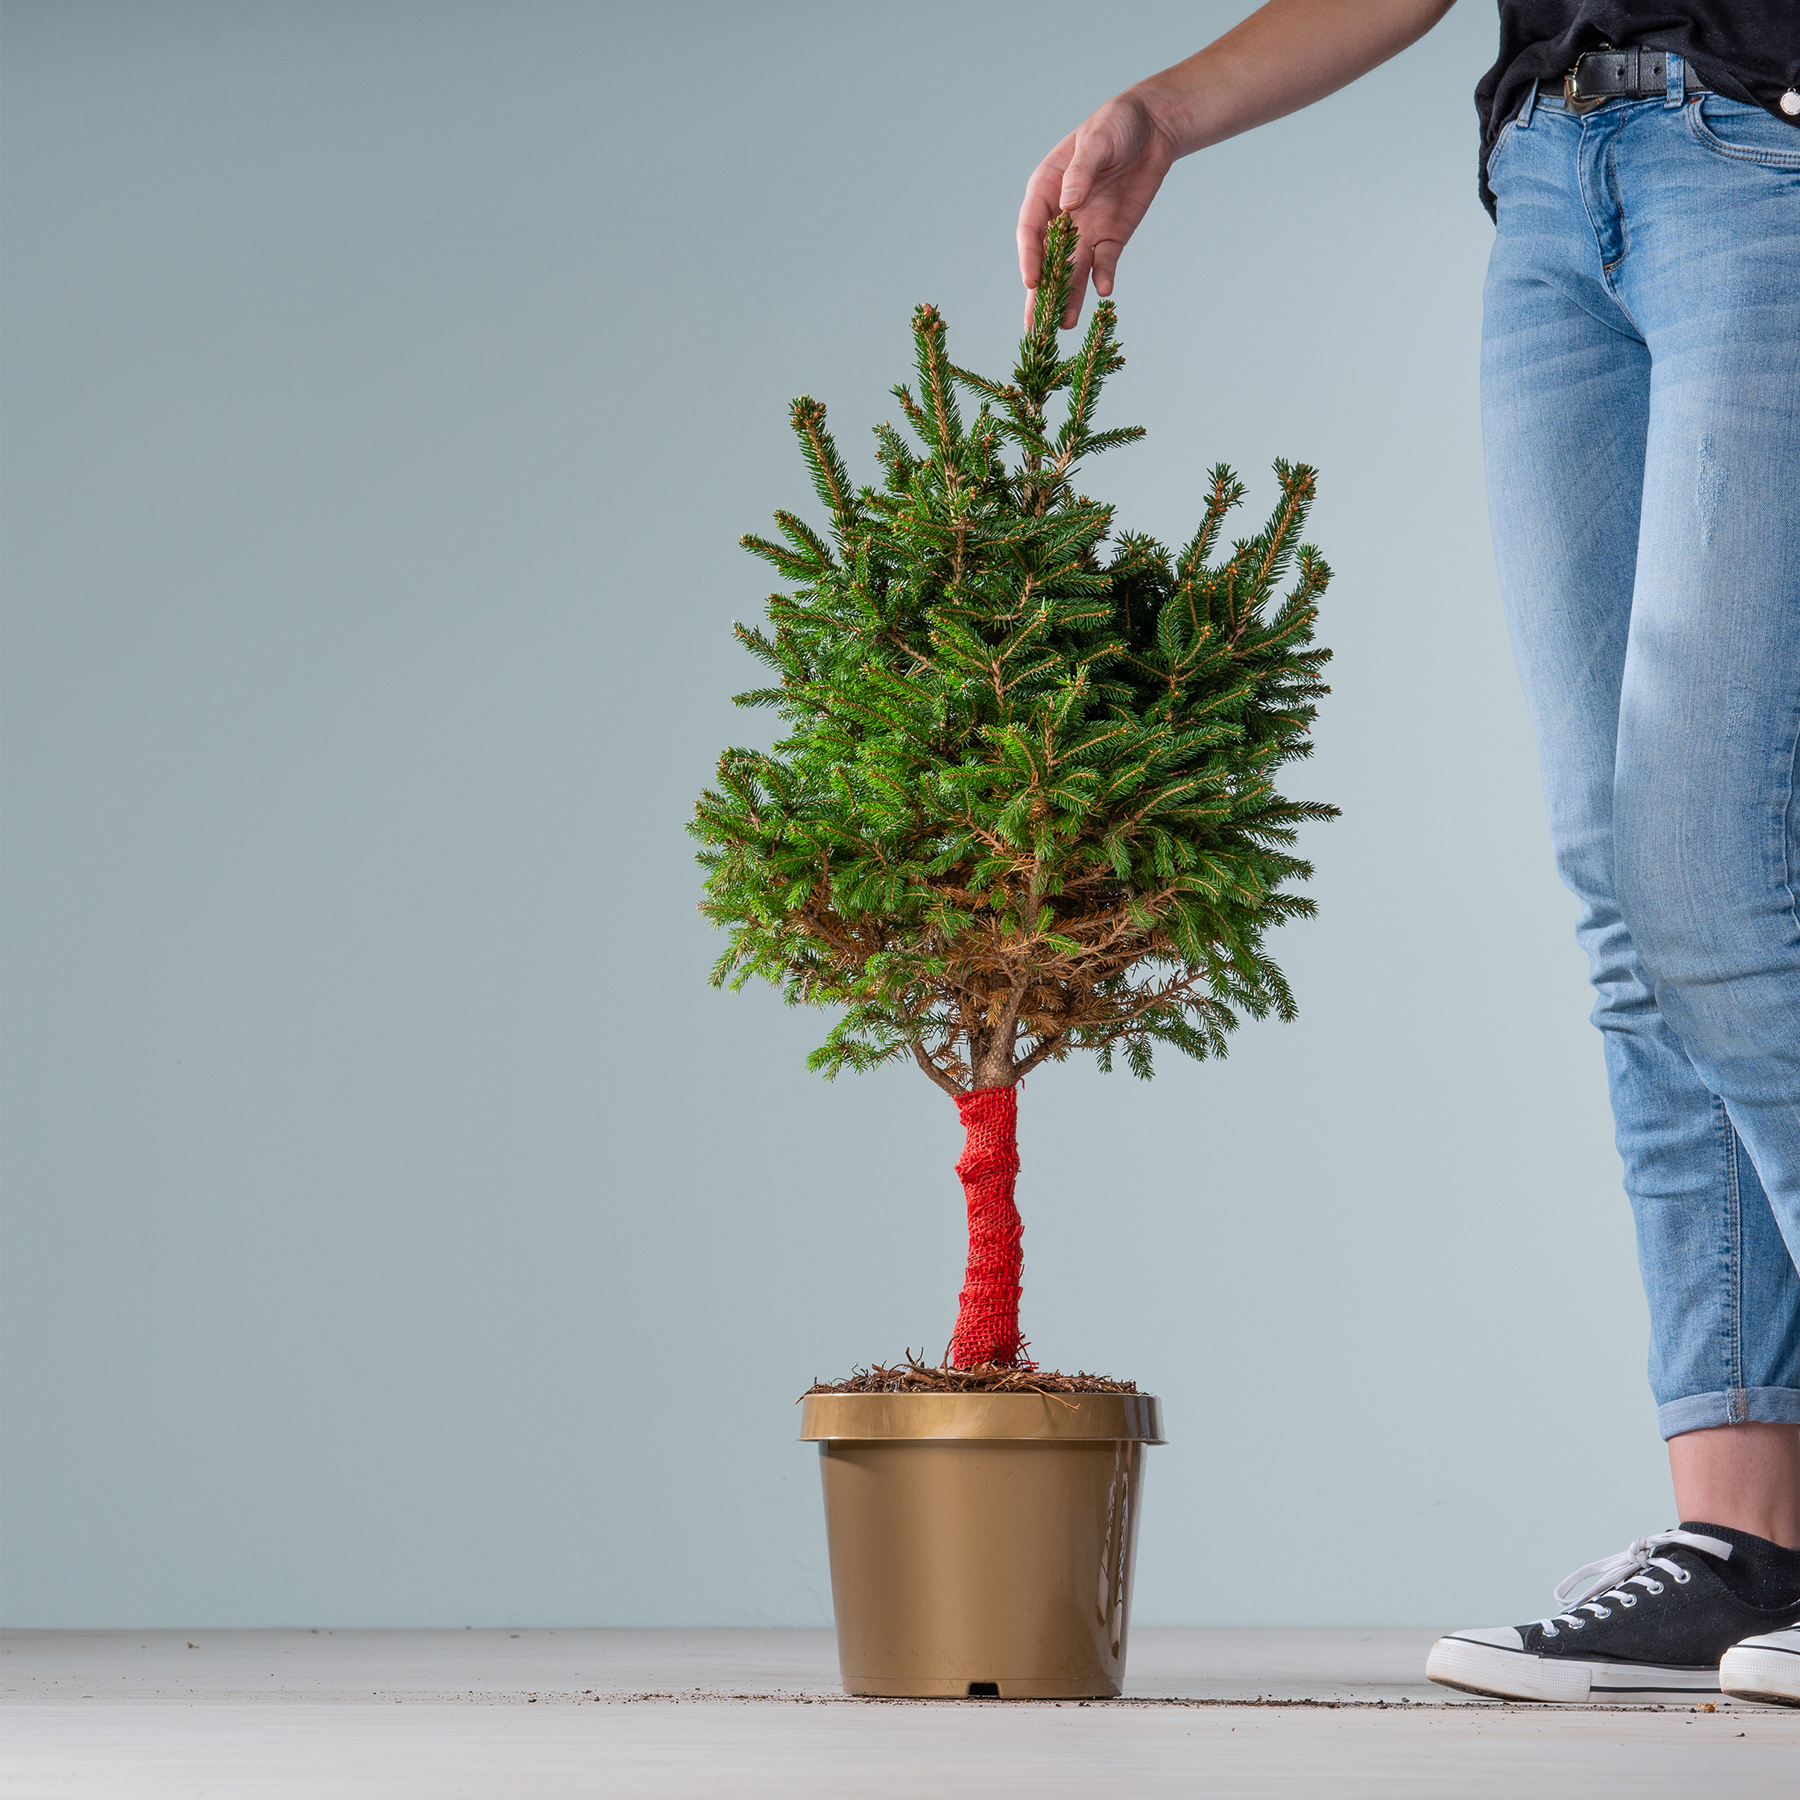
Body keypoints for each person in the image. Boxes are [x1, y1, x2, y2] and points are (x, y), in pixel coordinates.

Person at [1018, 0, 1800, 1706]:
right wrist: (1170, 108)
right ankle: (1744, 1540)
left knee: (1719, 879)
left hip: (1766, 153)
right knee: (1627, 898)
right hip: (1552, 187)